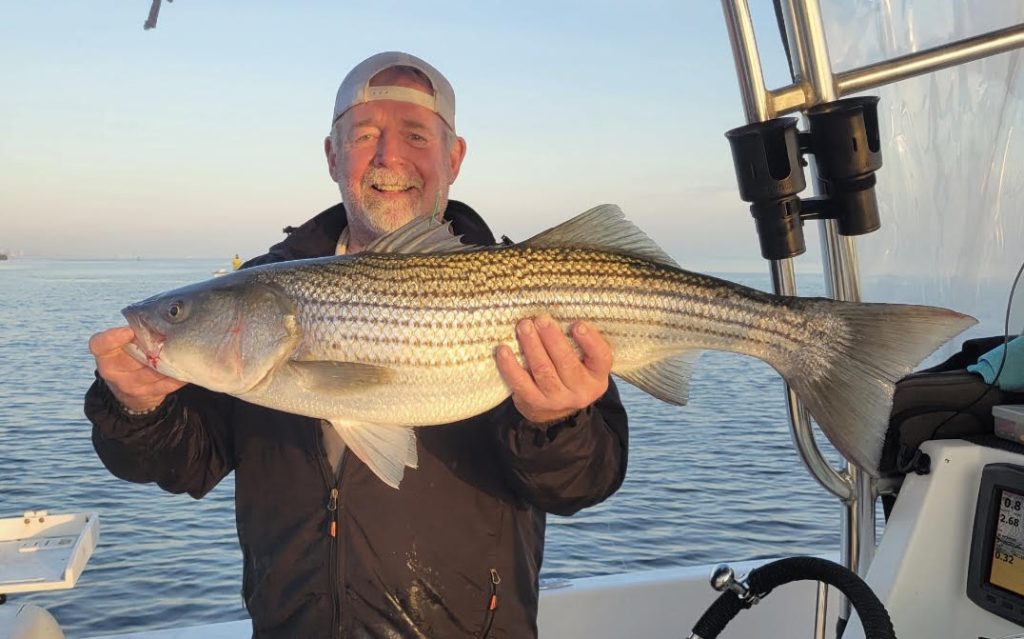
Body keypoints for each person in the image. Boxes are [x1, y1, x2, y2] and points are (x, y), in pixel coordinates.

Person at [85, 51, 628, 639]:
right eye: (364, 135)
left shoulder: (535, 290)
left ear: (454, 157)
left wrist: (557, 422)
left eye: (415, 135)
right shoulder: (261, 290)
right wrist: (137, 408)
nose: (389, 156)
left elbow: (586, 484)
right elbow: (178, 465)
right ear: (332, 155)